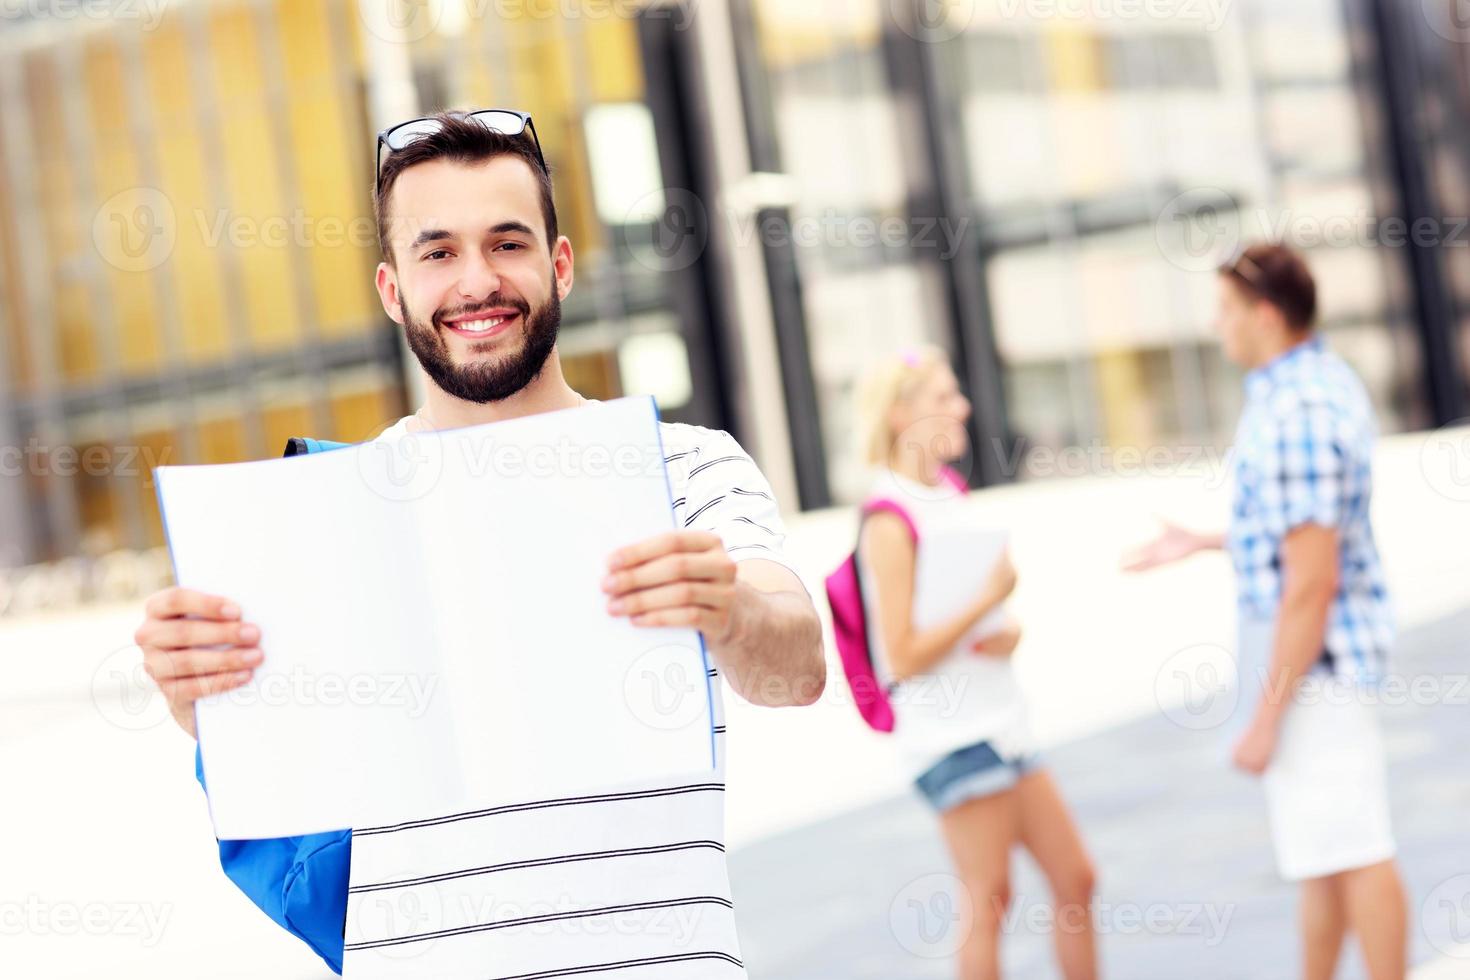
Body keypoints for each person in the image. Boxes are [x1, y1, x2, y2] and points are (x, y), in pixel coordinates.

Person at [131, 109, 825, 977]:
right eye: (438, 252)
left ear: (559, 265)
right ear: (393, 290)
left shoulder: (685, 464)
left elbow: (795, 672)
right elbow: (272, 777)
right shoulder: (315, 510)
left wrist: (731, 610)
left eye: (507, 243)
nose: (477, 281)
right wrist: (198, 696)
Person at [1125, 242, 1407, 980]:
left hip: (1316, 670)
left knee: (1358, 851)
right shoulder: (1303, 387)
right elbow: (1298, 535)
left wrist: (1264, 719)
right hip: (1311, 663)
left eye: (1225, 311)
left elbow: (1310, 585)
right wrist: (1211, 540)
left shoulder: (1301, 410)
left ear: (1267, 314)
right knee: (1324, 857)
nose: (1217, 328)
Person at [856, 346, 1097, 980]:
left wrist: (1004, 628)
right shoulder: (888, 518)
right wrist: (990, 599)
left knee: (1076, 879)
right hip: (952, 736)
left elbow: (963, 611)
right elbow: (902, 654)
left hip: (1001, 721)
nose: (962, 406)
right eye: (943, 397)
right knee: (988, 899)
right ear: (902, 415)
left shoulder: (948, 492)